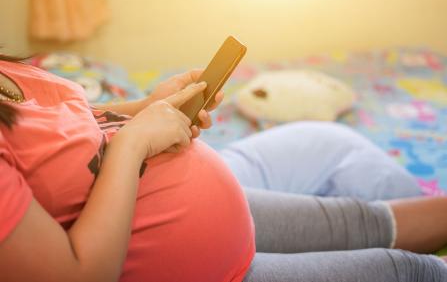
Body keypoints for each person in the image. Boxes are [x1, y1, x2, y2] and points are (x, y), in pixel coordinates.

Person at [0, 56, 445, 282]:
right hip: (186, 262)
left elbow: (59, 130)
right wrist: (133, 144)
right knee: (405, 271)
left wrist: (145, 108)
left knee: (360, 221)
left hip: (194, 217)